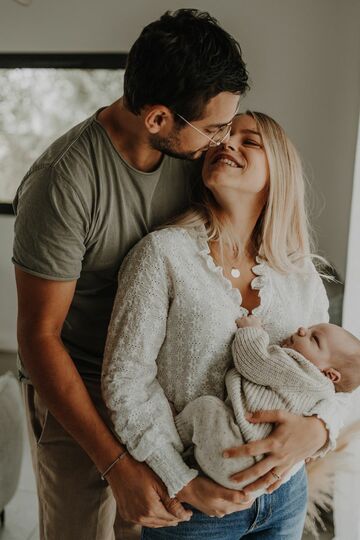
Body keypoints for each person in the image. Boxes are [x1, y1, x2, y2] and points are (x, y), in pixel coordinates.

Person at [12, 9, 250, 540]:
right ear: (159, 119)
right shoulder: (63, 184)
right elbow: (38, 339)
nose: (221, 141)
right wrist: (116, 464)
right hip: (79, 386)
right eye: (212, 128)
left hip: (156, 389)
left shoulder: (196, 160)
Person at [101, 111, 350, 539]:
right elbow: (126, 380)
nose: (226, 144)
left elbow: (334, 380)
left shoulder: (300, 272)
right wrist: (178, 478)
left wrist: (320, 428)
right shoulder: (162, 255)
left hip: (286, 495)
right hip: (196, 503)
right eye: (221, 135)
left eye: (249, 141)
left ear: (279, 171)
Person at [173, 315, 360, 495]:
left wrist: (251, 331)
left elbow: (254, 361)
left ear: (330, 375)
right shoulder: (326, 394)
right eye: (310, 328)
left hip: (237, 452)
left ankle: (179, 433)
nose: (303, 330)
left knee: (207, 408)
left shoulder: (298, 369)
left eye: (314, 338)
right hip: (264, 476)